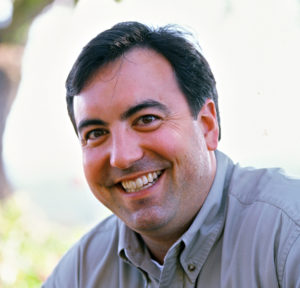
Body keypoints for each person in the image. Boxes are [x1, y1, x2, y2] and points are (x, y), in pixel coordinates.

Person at [43, 21, 300, 287]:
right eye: (96, 133)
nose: (122, 157)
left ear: (207, 125)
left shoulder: (289, 235)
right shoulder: (81, 272)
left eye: (146, 119)